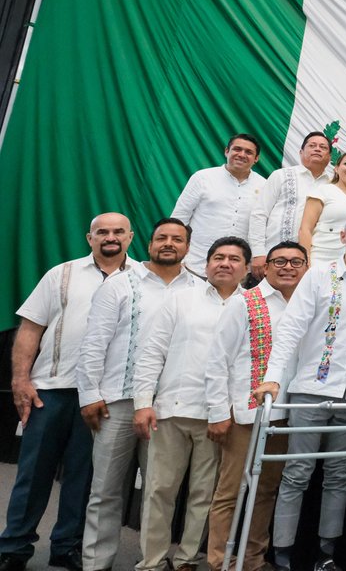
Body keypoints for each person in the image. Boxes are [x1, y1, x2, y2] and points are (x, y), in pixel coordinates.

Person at [254, 213, 346, 571]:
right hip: (311, 390)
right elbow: (291, 329)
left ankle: (326, 554)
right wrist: (273, 378)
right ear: (343, 236)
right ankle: (283, 555)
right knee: (297, 472)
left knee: (339, 474)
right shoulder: (319, 275)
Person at [0, 214, 132, 571]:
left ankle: (67, 546)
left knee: (84, 477)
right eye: (102, 232)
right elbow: (30, 328)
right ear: (90, 238)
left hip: (104, 396)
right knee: (32, 474)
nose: (110, 237)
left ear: (130, 237)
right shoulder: (62, 274)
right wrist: (21, 380)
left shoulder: (141, 279)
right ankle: (14, 548)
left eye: (118, 231)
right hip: (51, 390)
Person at [76, 218, 200, 571]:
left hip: (165, 407)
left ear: (188, 247)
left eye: (177, 239)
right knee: (105, 489)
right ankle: (96, 564)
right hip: (116, 401)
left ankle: (151, 562)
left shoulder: (198, 289)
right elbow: (94, 342)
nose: (169, 244)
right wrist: (90, 394)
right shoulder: (120, 284)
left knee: (158, 491)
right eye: (162, 238)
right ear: (148, 244)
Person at [132, 237, 250, 571]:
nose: (224, 263)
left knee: (204, 494)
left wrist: (228, 412)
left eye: (234, 259)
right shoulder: (181, 299)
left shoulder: (253, 305)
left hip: (221, 417)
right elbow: (152, 351)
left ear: (247, 268)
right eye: (218, 257)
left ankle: (187, 558)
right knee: (159, 490)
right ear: (206, 263)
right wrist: (143, 402)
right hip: (172, 409)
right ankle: (152, 562)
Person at [205, 240, 310, 571]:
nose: (288, 267)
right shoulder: (244, 303)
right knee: (230, 491)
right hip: (245, 414)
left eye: (296, 262)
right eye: (280, 261)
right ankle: (219, 561)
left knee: (266, 491)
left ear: (307, 268)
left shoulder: (310, 305)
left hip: (286, 415)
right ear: (265, 268)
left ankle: (252, 560)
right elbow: (217, 360)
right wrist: (218, 413)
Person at [171, 133, 266, 272]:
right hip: (195, 265)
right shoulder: (203, 178)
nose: (241, 154)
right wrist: (180, 259)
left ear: (256, 158)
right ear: (227, 151)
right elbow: (179, 219)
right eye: (237, 149)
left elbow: (263, 227)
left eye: (248, 152)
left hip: (239, 272)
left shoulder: (264, 186)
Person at [249, 131, 332, 277]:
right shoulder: (281, 175)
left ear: (329, 157)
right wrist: (258, 253)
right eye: (312, 145)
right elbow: (260, 214)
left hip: (315, 264)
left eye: (323, 147)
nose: (317, 149)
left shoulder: (332, 185)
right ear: (301, 152)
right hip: (274, 257)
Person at [299, 151, 346, 267]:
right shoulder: (322, 191)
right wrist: (305, 260)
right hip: (321, 259)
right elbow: (305, 229)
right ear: (336, 168)